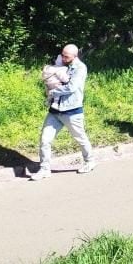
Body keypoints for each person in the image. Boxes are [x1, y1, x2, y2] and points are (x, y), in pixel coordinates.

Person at [29, 44, 95, 180]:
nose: (63, 58)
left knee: (80, 138)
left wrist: (53, 91)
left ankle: (90, 161)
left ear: (75, 56)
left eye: (67, 56)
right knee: (44, 140)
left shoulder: (80, 68)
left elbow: (71, 87)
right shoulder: (61, 63)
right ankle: (44, 169)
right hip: (55, 110)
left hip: (72, 111)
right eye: (62, 55)